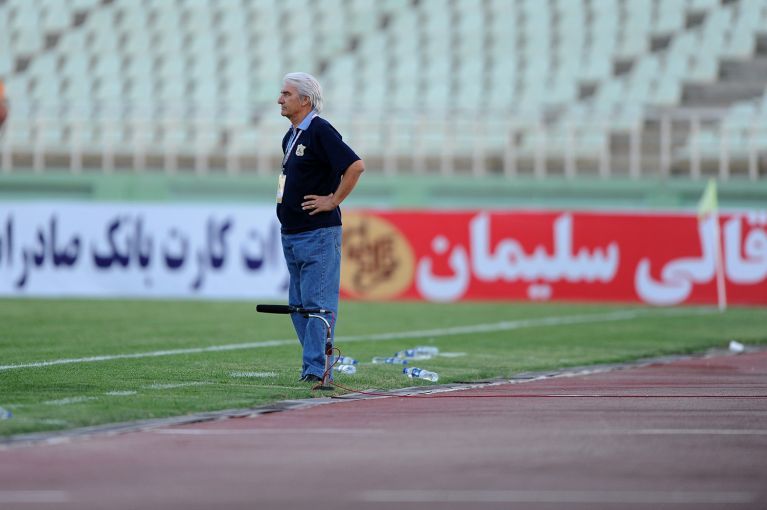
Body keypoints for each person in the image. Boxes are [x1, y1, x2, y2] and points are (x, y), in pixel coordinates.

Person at [276, 72, 365, 383]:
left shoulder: (319, 130)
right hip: (292, 233)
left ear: (305, 100)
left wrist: (333, 200)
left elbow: (355, 166)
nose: (279, 99)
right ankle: (315, 364)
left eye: (286, 94)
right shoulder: (292, 136)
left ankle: (316, 370)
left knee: (318, 305)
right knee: (298, 306)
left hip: (317, 233)